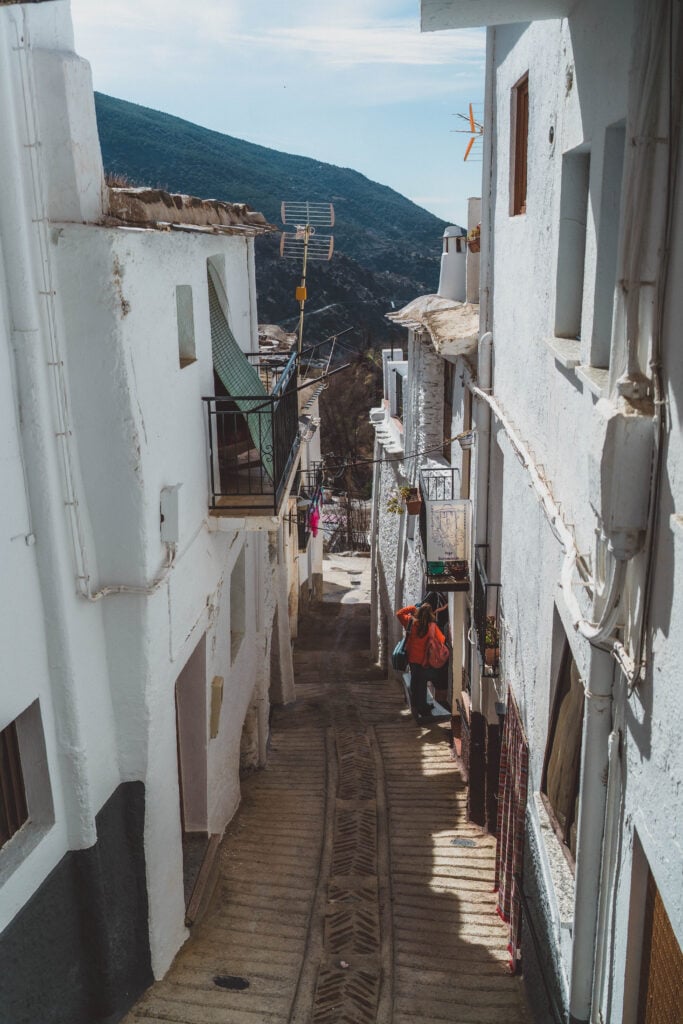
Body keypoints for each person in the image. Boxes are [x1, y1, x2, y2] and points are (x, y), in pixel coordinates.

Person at [396, 602, 447, 721]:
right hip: (426, 660)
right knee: (422, 683)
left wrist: (413, 608)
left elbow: (399, 613)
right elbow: (442, 639)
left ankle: (415, 707)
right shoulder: (432, 627)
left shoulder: (411, 623)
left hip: (413, 658)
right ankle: (423, 707)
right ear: (430, 614)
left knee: (415, 682)